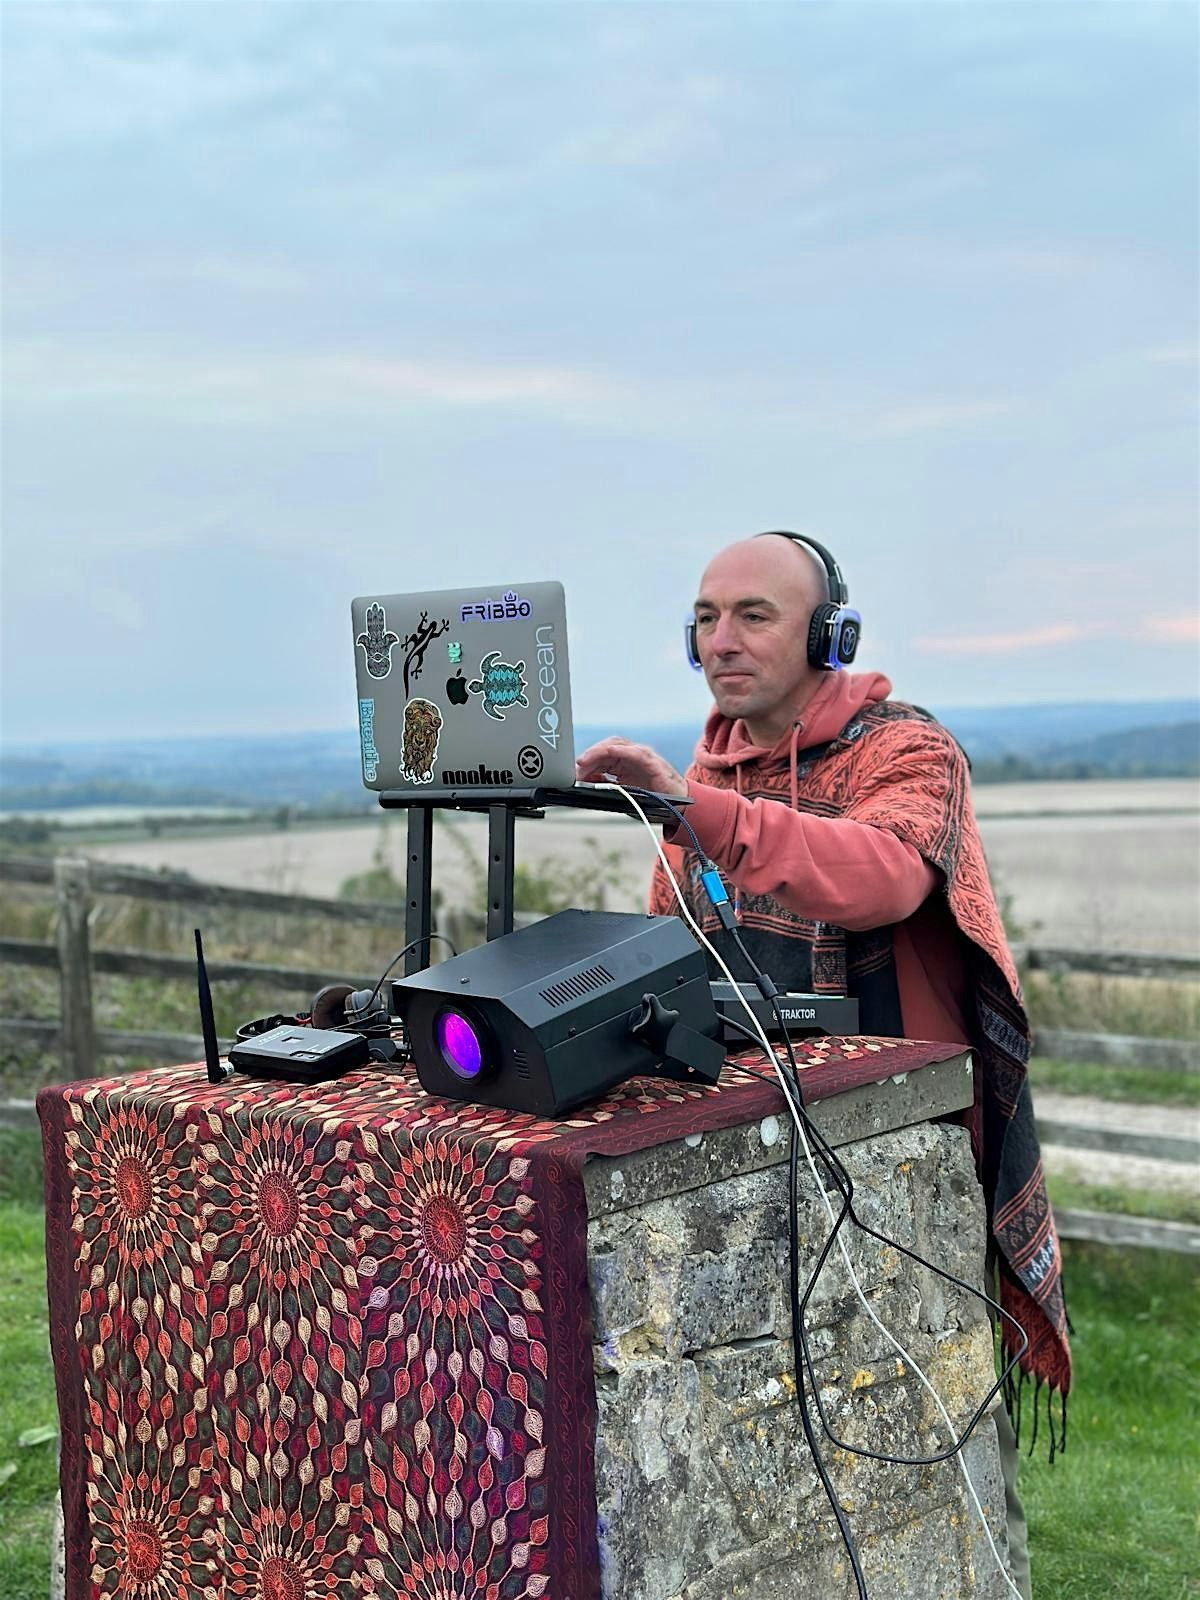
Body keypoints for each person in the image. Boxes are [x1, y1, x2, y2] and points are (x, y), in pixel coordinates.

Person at [577, 530, 1070, 1600]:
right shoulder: (708, 770)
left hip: (903, 1149)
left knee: (939, 1421)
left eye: (754, 614)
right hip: (757, 1139)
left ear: (828, 633)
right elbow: (678, 940)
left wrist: (691, 809)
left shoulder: (911, 752)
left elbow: (880, 878)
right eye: (706, 617)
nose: (722, 639)